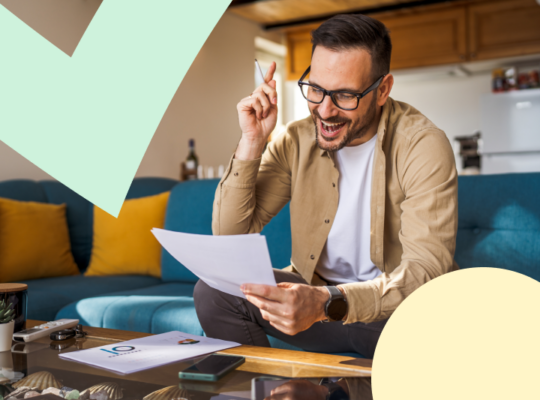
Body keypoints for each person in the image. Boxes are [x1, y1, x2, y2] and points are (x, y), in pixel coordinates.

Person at [194, 13, 458, 358]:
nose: (325, 110)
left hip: (395, 317)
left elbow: (425, 272)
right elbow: (229, 237)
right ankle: (261, 390)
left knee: (431, 329)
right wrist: (252, 142)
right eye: (316, 89)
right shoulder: (295, 139)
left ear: (383, 90)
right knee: (214, 291)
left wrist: (327, 303)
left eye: (345, 95)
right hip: (317, 307)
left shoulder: (422, 144)